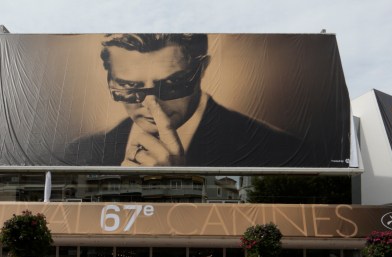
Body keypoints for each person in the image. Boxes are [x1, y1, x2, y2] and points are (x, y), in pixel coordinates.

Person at [65, 34, 305, 168]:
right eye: (130, 86)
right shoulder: (79, 152)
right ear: (111, 80)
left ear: (202, 70)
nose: (152, 105)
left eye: (171, 86)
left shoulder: (280, 151)